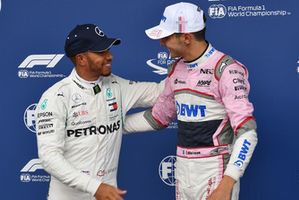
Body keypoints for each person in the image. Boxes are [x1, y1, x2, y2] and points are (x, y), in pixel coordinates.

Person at [124, 2, 258, 200]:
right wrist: (115, 125)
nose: (161, 42)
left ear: (186, 37)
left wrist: (226, 184)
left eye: (167, 37)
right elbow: (158, 118)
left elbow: (247, 132)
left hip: (216, 171)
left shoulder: (226, 70)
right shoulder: (175, 69)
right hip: (183, 170)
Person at [35, 23, 164, 200]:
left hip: (107, 195)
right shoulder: (56, 97)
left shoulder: (117, 85)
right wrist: (95, 187)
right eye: (101, 52)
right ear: (81, 59)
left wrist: (186, 68)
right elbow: (49, 157)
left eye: (108, 50)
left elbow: (159, 93)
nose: (109, 56)